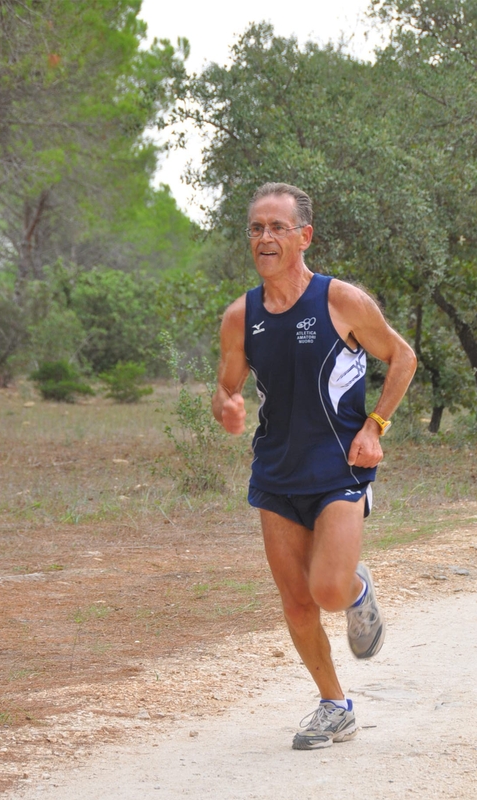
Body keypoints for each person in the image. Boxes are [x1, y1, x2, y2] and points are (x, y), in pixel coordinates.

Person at [212, 182, 417, 750]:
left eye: (278, 227)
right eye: (256, 228)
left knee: (326, 590)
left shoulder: (340, 301)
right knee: (296, 601)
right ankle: (334, 704)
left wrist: (376, 425)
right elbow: (227, 386)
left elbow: (403, 356)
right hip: (275, 472)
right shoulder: (240, 316)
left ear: (304, 236)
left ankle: (355, 589)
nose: (265, 238)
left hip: (339, 467)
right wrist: (226, 405)